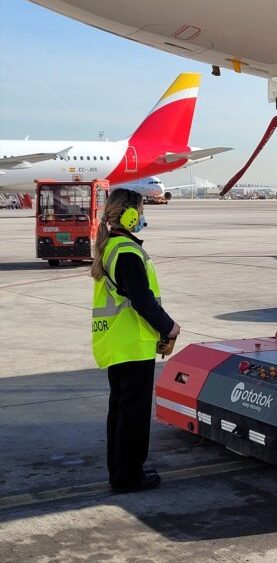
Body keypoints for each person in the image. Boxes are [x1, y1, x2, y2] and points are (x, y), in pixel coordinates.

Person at [90, 188, 180, 493]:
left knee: (120, 410)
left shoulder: (112, 246)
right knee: (133, 415)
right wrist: (169, 327)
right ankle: (129, 476)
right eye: (141, 211)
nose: (143, 216)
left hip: (118, 343)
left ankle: (121, 472)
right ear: (128, 214)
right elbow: (142, 300)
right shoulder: (127, 251)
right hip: (131, 344)